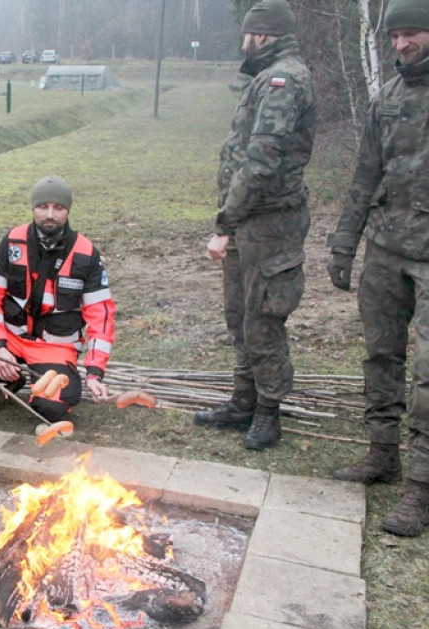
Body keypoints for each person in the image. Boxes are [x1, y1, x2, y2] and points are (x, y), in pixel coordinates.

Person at [193, 0, 316, 450]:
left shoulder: (284, 80)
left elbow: (261, 161)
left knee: (263, 319)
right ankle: (243, 401)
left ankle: (268, 412)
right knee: (239, 315)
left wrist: (225, 223)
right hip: (249, 223)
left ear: (261, 35)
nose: (242, 41)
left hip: (270, 225)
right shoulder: (264, 77)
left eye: (248, 33)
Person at [326, 0, 429, 536]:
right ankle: (381, 455)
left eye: (412, 34)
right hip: (387, 247)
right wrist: (345, 243)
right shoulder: (387, 96)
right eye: (395, 37)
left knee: (428, 376)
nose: (401, 45)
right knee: (380, 356)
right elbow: (365, 174)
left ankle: (420, 488)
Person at [0, 176, 115, 421]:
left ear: (68, 210)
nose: (50, 214)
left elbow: (102, 317)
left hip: (54, 347)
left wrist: (95, 372)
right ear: (33, 208)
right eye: (43, 206)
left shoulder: (86, 253)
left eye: (58, 208)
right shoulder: (13, 240)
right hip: (10, 336)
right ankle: (6, 380)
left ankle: (40, 388)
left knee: (53, 410)